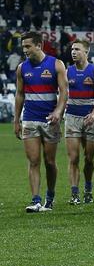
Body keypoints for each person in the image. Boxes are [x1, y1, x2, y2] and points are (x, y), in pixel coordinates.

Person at [14, 31, 68, 212]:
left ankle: (50, 195)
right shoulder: (22, 68)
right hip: (29, 119)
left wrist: (58, 111)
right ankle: (36, 200)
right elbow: (20, 94)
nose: (25, 50)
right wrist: (16, 120)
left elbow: (64, 92)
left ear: (39, 45)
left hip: (50, 121)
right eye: (23, 47)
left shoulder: (56, 64)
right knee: (33, 160)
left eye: (28, 46)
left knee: (50, 162)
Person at [64, 39, 94, 205]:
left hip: (90, 119)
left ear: (86, 52)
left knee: (89, 159)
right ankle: (74, 193)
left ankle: (88, 189)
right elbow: (62, 95)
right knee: (73, 158)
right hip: (72, 118)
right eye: (72, 49)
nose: (73, 52)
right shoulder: (67, 72)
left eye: (77, 49)